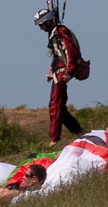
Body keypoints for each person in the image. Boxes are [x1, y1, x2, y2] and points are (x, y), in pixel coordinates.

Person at [34, 8, 85, 147]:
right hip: (58, 72)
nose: (40, 28)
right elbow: (57, 54)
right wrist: (51, 71)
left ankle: (55, 138)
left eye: (41, 24)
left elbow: (71, 51)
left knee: (55, 104)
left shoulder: (61, 31)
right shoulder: (53, 32)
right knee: (60, 107)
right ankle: (79, 132)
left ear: (48, 21)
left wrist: (70, 71)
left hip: (63, 73)